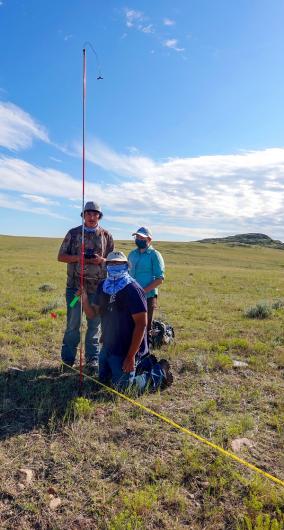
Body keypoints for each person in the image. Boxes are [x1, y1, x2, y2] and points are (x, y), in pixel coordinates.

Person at [81, 251, 173, 392]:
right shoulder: (103, 286)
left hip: (127, 349)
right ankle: (135, 368)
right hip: (108, 345)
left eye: (119, 263)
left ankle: (156, 372)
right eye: (111, 263)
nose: (115, 266)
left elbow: (141, 324)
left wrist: (130, 357)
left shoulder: (133, 289)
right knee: (103, 380)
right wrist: (85, 299)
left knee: (124, 388)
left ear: (126, 266)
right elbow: (92, 314)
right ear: (106, 266)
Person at [58, 201, 114, 368]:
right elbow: (60, 256)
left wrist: (102, 260)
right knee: (73, 324)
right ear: (83, 215)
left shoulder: (106, 236)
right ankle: (68, 360)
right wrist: (77, 258)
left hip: (97, 291)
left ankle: (92, 360)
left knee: (94, 325)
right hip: (75, 290)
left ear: (99, 216)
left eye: (94, 214)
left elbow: (113, 262)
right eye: (88, 213)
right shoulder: (73, 233)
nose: (91, 216)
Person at [128, 227, 165, 340]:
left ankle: (145, 351)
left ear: (149, 239)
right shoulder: (132, 254)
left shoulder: (155, 255)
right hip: (131, 294)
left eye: (141, 237)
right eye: (137, 237)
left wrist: (143, 291)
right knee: (130, 321)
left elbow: (160, 278)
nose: (138, 239)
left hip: (147, 296)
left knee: (145, 324)